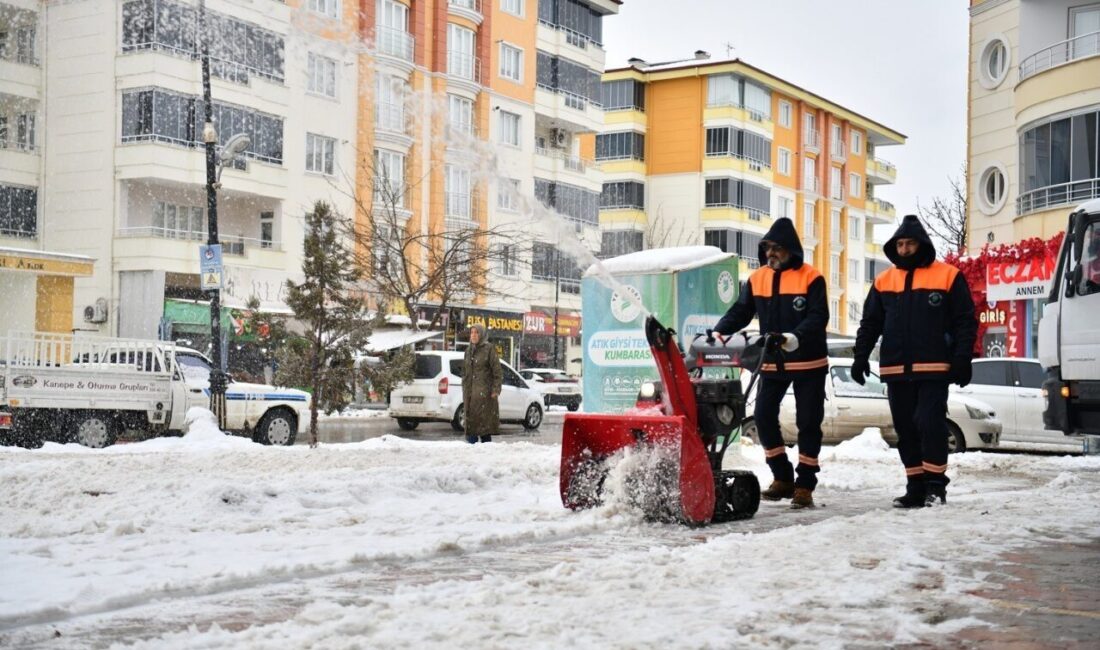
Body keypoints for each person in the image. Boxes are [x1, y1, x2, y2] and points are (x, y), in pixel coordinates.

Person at [851, 215, 977, 508]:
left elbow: (964, 321)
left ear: (921, 245)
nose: (905, 248)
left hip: (934, 368)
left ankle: (935, 487)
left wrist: (962, 358)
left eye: (910, 243)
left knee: (929, 422)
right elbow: (870, 323)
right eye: (901, 243)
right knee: (905, 428)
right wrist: (860, 357)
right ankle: (915, 487)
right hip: (895, 369)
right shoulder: (884, 280)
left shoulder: (948, 275)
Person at [714, 217, 829, 509]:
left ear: (790, 249)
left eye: (776, 248)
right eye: (767, 248)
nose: (771, 253)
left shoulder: (811, 277)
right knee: (763, 416)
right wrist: (719, 330)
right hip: (772, 362)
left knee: (808, 423)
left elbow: (818, 317)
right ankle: (782, 477)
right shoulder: (757, 278)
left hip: (808, 363)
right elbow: (741, 311)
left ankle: (804, 485)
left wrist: (794, 336)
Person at [462, 323, 502, 444]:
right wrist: (464, 385)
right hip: (470, 394)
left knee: (484, 430)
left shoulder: (488, 349)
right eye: (472, 332)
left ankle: (485, 454)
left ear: (482, 334)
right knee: (471, 427)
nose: (473, 335)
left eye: (476, 332)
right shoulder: (468, 350)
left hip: (484, 395)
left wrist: (495, 389)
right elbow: (465, 371)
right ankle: (471, 454)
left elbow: (497, 371)